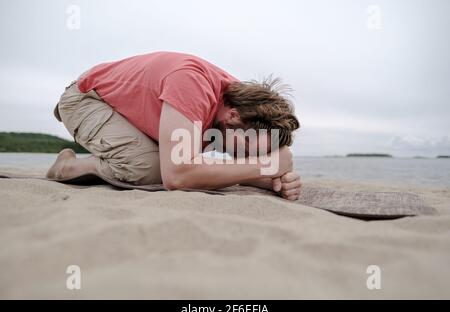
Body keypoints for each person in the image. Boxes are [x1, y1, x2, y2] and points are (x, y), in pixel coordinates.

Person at [47, 51, 302, 200]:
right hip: (87, 99)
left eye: (256, 154)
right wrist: (265, 167)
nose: (244, 156)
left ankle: (119, 152)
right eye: (246, 147)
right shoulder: (193, 86)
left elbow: (228, 165)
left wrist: (267, 180)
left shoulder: (240, 109)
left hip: (135, 118)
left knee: (169, 162)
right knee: (148, 169)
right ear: (234, 115)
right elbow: (177, 176)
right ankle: (67, 166)